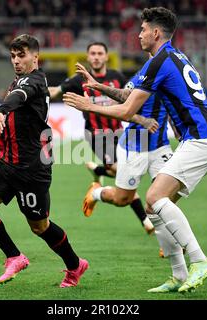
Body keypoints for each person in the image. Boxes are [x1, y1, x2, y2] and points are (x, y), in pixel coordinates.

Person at [63, 7, 207, 293]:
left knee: (153, 197)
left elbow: (126, 110)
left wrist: (89, 104)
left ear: (156, 33)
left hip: (199, 141)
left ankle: (200, 260)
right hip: (203, 140)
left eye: (143, 29)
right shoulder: (172, 57)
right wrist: (98, 86)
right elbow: (128, 95)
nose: (138, 34)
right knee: (154, 206)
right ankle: (178, 275)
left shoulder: (159, 61)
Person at [0, 34, 88, 288]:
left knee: (40, 227)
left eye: (21, 55)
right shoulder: (19, 80)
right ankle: (14, 256)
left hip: (31, 168)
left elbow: (20, 96)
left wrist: (1, 109)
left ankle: (75, 265)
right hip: (5, 163)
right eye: (12, 56)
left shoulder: (34, 80)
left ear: (36, 57)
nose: (16, 60)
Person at [74, 61, 180, 259]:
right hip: (134, 148)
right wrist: (142, 120)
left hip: (160, 146)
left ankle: (168, 243)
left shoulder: (172, 79)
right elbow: (123, 106)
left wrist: (177, 129)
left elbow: (173, 107)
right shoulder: (142, 77)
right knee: (122, 199)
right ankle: (97, 192)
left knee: (167, 194)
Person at [49, 42, 158, 234]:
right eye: (93, 53)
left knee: (127, 176)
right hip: (97, 135)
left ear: (107, 56)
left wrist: (141, 119)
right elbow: (55, 91)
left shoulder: (117, 77)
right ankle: (146, 221)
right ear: (88, 56)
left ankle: (98, 169)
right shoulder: (77, 80)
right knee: (123, 174)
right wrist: (30, 91)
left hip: (120, 134)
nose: (97, 56)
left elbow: (128, 104)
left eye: (100, 53)